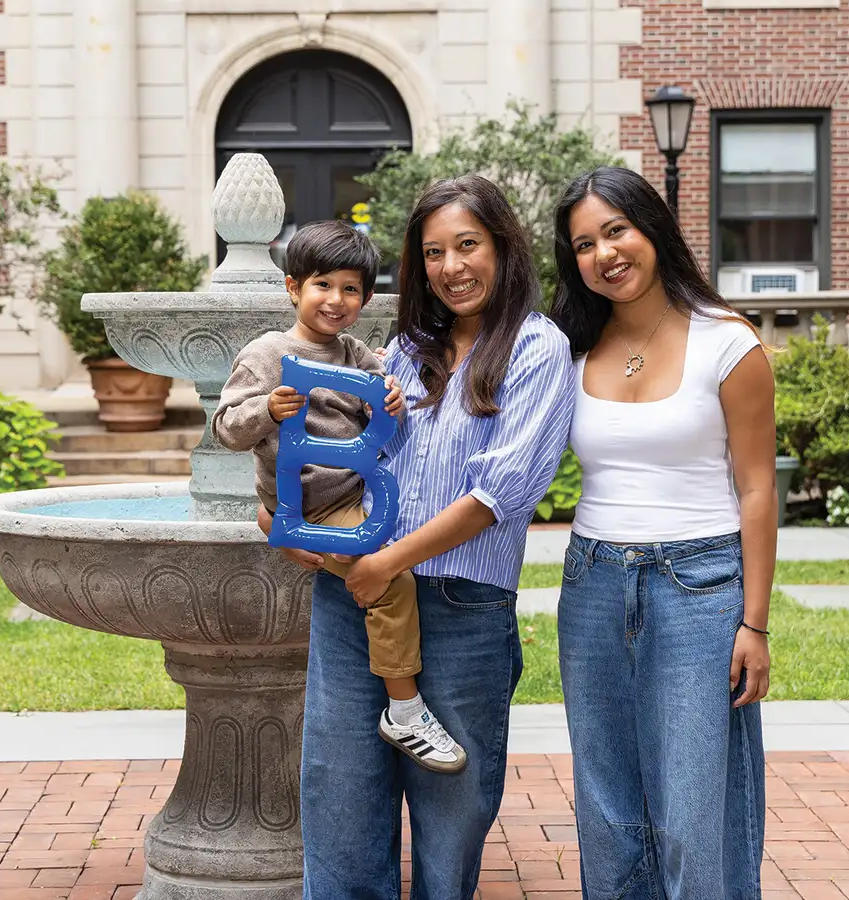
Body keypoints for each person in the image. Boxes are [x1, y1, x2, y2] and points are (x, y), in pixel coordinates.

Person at [264, 175, 574, 899]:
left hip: (462, 605)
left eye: (467, 245)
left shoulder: (537, 348)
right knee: (340, 800)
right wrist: (289, 525)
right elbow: (337, 451)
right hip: (355, 598)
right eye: (433, 252)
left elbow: (502, 491)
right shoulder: (403, 349)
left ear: (502, 246)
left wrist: (388, 561)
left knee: (450, 813)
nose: (451, 267)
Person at [549, 164, 776, 900]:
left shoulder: (727, 342)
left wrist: (755, 623)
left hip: (700, 589)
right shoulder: (572, 346)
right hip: (592, 584)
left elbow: (758, 488)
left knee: (693, 804)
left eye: (616, 230)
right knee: (607, 801)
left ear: (652, 229)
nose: (604, 254)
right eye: (583, 244)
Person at [212, 219, 467, 774]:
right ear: (292, 288)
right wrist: (266, 410)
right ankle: (404, 708)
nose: (336, 300)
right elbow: (226, 428)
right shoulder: (267, 353)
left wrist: (391, 400)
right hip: (308, 505)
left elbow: (385, 403)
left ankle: (272, 526)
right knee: (388, 577)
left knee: (411, 546)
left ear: (366, 297)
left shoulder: (355, 354)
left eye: (351, 289)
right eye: (323, 285)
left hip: (355, 491)